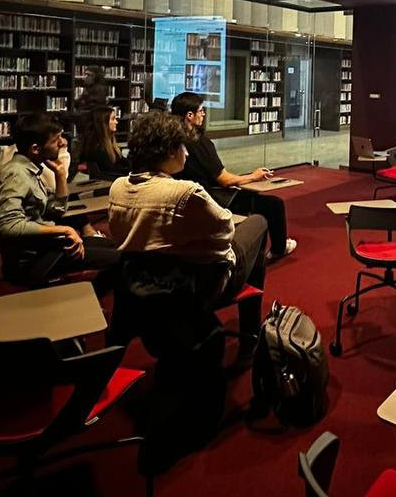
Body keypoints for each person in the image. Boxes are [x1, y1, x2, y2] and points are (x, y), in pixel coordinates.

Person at [107, 111, 267, 347]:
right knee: (258, 224)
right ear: (170, 151)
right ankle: (251, 336)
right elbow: (225, 231)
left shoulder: (117, 187)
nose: (188, 152)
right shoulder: (186, 192)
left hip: (139, 280)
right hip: (198, 283)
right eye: (183, 146)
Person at [0, 112, 121, 293]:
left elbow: (57, 211)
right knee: (122, 259)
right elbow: (9, 226)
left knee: (118, 248)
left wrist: (60, 175)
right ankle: (91, 299)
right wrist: (65, 229)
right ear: (35, 148)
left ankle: (90, 297)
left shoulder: (29, 168)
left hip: (45, 246)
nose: (62, 143)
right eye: (55, 140)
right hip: (36, 258)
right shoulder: (16, 175)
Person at [169, 91, 297, 260]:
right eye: (201, 111)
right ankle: (278, 249)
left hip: (183, 197)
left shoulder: (170, 139)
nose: (204, 114)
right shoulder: (199, 143)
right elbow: (225, 180)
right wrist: (253, 176)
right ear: (189, 116)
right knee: (274, 205)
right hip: (212, 198)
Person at [78, 106, 130, 178]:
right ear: (103, 122)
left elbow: (122, 162)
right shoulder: (97, 147)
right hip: (108, 181)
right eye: (113, 119)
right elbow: (110, 171)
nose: (116, 122)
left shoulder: (110, 144)